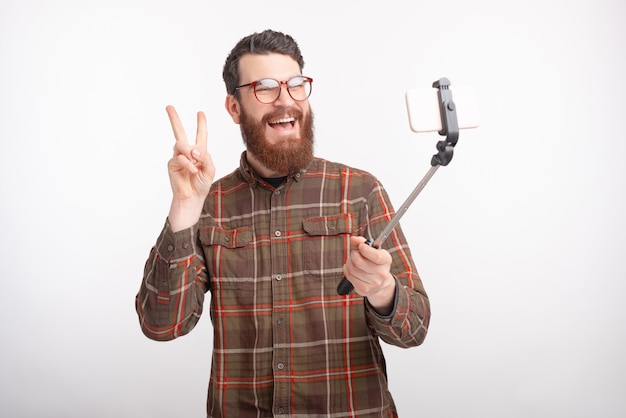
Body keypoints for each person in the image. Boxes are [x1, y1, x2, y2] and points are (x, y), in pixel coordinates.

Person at [136, 29, 430, 417]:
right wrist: (185, 206)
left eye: (296, 85)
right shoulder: (209, 204)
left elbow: (414, 329)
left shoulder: (359, 191)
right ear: (235, 108)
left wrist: (382, 291)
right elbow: (162, 326)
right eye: (266, 88)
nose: (286, 100)